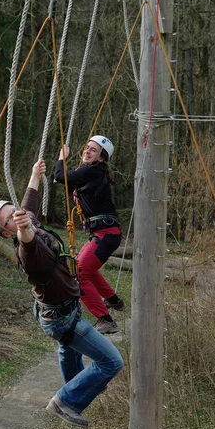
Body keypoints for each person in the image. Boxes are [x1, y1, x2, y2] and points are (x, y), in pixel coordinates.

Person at [0, 159, 124, 428]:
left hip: (57, 310)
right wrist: (24, 227)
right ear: (6, 233)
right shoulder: (28, 249)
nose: (14, 216)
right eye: (8, 220)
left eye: (12, 210)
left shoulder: (28, 219)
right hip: (61, 318)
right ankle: (66, 400)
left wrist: (35, 174)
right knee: (111, 361)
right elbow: (26, 237)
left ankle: (79, 386)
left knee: (69, 351)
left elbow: (29, 202)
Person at [54, 135, 125, 335]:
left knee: (78, 275)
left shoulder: (93, 171)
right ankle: (113, 300)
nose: (87, 151)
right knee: (82, 268)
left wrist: (61, 158)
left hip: (106, 234)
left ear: (101, 158)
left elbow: (60, 176)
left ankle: (105, 319)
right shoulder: (92, 172)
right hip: (104, 233)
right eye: (87, 147)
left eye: (93, 150)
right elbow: (66, 181)